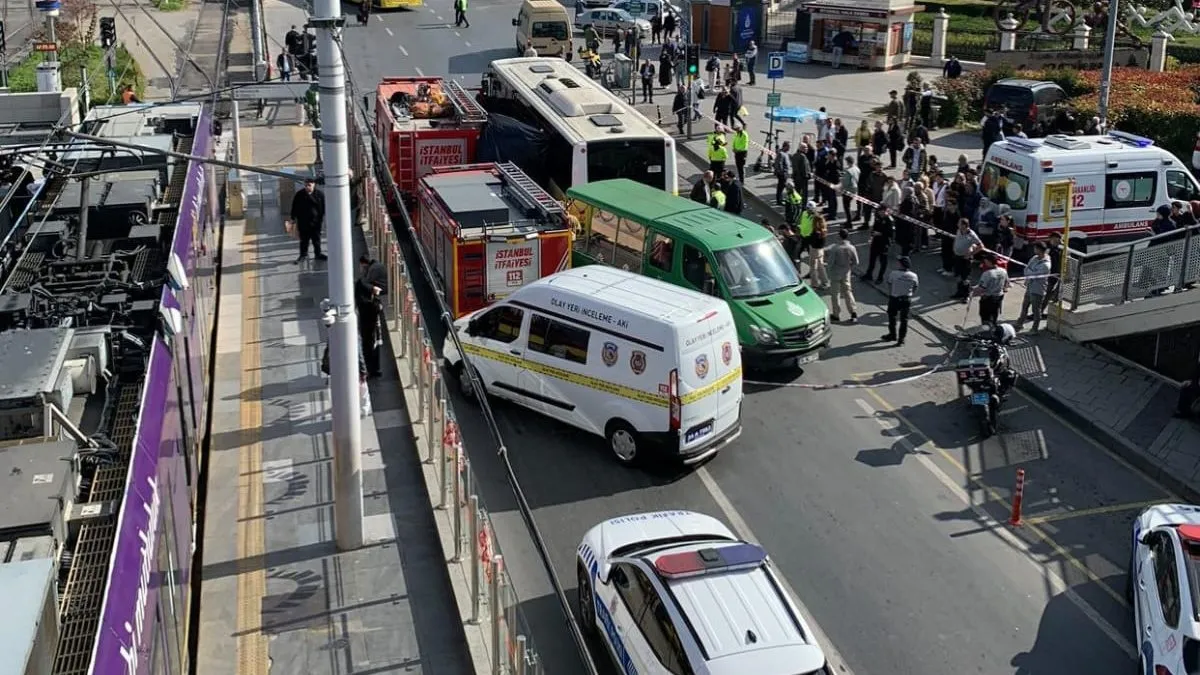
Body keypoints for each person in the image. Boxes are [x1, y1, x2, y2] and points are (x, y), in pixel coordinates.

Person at [355, 255, 388, 377]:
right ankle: (375, 369)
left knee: (367, 343)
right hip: (373, 318)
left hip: (367, 318)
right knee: (375, 343)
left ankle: (369, 369)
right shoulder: (368, 277)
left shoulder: (362, 282)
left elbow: (362, 284)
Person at [883, 256, 919, 345]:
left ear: (900, 264)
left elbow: (889, 284)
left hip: (894, 298)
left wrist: (892, 293)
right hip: (906, 299)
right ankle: (901, 339)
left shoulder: (894, 273)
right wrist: (910, 293)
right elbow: (915, 287)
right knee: (904, 319)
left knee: (892, 317)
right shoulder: (914, 276)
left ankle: (892, 335)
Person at [289, 178, 327, 263]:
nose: (307, 187)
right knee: (304, 240)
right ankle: (303, 255)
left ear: (314, 184)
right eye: (306, 185)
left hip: (316, 222)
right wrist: (293, 218)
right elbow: (294, 207)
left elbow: (324, 207)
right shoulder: (299, 195)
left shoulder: (319, 195)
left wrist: (323, 218)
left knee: (316, 239)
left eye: (309, 185)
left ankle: (318, 254)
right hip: (303, 221)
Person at [1017, 241, 1051, 332]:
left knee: (1036, 311)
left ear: (1039, 250)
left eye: (1035, 248)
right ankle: (1019, 323)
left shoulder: (1045, 265)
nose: (1034, 250)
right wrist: (1030, 273)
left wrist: (1030, 273)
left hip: (1037, 290)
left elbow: (1033, 275)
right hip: (1029, 287)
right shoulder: (1035, 258)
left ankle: (1034, 329)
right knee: (1024, 306)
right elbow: (1026, 269)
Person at [828, 228, 859, 323]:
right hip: (846, 273)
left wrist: (829, 270)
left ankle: (836, 314)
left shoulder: (835, 248)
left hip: (836, 273)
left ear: (839, 236)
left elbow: (830, 263)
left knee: (835, 294)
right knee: (848, 292)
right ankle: (853, 312)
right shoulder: (851, 247)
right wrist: (848, 266)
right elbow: (856, 262)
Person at [972, 252, 1010, 326]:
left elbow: (982, 288)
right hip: (999, 297)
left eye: (985, 261)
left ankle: (986, 331)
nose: (984, 262)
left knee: (985, 316)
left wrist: (973, 290)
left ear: (989, 262)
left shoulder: (987, 274)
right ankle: (993, 329)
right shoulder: (1003, 271)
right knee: (994, 314)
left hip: (988, 298)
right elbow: (1007, 284)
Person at [951, 218, 982, 300]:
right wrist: (954, 248)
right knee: (958, 276)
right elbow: (956, 239)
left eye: (959, 224)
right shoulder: (958, 231)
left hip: (965, 259)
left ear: (964, 225)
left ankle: (966, 295)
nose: (957, 225)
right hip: (957, 257)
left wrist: (970, 254)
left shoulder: (971, 234)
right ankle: (959, 292)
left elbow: (981, 246)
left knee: (965, 278)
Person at [862, 206, 894, 284]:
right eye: (879, 212)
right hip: (875, 242)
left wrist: (880, 233)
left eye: (882, 212)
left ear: (886, 211)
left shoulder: (889, 220)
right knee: (872, 259)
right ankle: (869, 274)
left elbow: (890, 234)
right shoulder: (878, 217)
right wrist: (872, 235)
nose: (880, 213)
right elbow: (874, 228)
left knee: (883, 262)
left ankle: (880, 277)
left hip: (884, 243)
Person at [809, 215, 829, 288]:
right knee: (821, 266)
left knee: (813, 267)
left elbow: (812, 241)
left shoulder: (816, 232)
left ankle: (814, 283)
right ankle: (825, 282)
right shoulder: (824, 230)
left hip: (814, 250)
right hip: (821, 250)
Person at [840, 156, 860, 225]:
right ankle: (849, 220)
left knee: (846, 206)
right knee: (848, 204)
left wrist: (841, 186)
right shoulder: (857, 169)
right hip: (855, 189)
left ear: (848, 162)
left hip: (848, 190)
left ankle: (849, 221)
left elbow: (846, 182)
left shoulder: (848, 171)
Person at [774, 140, 793, 204]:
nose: (789, 148)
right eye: (789, 146)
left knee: (782, 187)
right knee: (780, 187)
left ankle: (781, 199)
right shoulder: (781, 153)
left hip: (785, 173)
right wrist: (782, 173)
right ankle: (779, 200)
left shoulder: (786, 153)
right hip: (782, 174)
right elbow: (779, 164)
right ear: (785, 146)